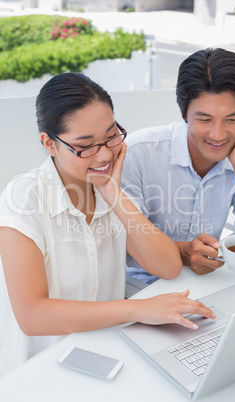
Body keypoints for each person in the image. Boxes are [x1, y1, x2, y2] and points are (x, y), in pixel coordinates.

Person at [0, 73, 217, 376]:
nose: (104, 155)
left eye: (111, 136)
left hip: (105, 357)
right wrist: (138, 309)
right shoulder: (24, 199)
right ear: (49, 143)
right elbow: (32, 316)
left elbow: (166, 266)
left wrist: (113, 195)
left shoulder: (107, 187)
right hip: (39, 369)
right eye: (85, 146)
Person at [121, 47, 235, 284]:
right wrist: (183, 252)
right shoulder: (137, 153)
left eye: (232, 119)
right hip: (140, 288)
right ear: (183, 113)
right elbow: (119, 246)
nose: (218, 135)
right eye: (204, 119)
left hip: (207, 284)